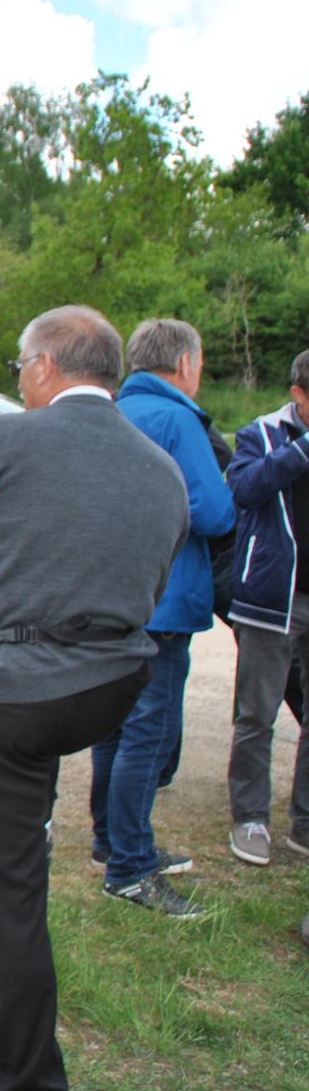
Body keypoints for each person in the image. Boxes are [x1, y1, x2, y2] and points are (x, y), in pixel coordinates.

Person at [0, 306, 187, 1091]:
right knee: (21, 830)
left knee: (13, 894)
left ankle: (24, 1082)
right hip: (107, 687)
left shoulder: (2, 439)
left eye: (18, 368)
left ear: (44, 366)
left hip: (4, 694)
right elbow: (152, 586)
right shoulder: (158, 465)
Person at [86, 319, 234, 911]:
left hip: (108, 595)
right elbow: (215, 511)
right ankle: (130, 866)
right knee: (148, 733)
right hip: (164, 601)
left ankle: (113, 839)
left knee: (110, 726)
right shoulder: (176, 419)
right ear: (185, 364)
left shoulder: (111, 412)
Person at [224, 347, 309, 868]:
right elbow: (241, 489)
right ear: (299, 393)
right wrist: (301, 452)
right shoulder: (263, 433)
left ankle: (305, 819)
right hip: (273, 600)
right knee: (257, 714)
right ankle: (250, 817)